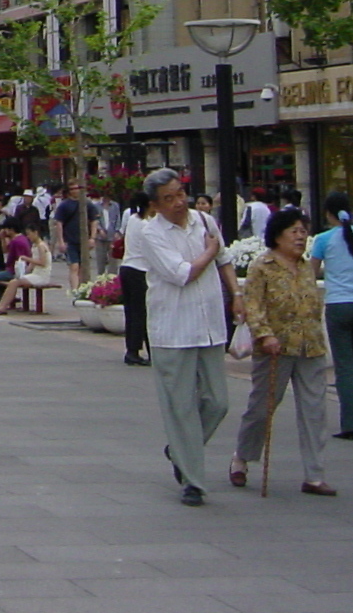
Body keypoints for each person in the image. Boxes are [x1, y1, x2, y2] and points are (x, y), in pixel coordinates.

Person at [130, 167, 239, 506]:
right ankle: (194, 481)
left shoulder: (204, 222)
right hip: (173, 329)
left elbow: (225, 259)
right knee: (181, 408)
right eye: (169, 198)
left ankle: (179, 449)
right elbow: (183, 274)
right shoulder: (151, 233)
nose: (179, 202)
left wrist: (237, 295)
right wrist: (207, 251)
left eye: (180, 193)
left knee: (217, 401)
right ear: (155, 205)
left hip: (209, 326)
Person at [227, 206, 336, 496]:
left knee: (314, 410)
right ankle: (242, 458)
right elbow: (253, 305)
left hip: (310, 346)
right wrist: (264, 335)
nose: (301, 237)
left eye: (304, 231)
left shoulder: (304, 266)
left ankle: (314, 475)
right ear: (278, 235)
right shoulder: (262, 267)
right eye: (294, 231)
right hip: (275, 348)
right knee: (263, 408)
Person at [309, 192, 353, 442]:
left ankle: (351, 422)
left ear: (328, 213)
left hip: (338, 305)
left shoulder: (323, 239)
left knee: (344, 365)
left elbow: (311, 274)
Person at [0, 227, 61, 314]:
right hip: (35, 274)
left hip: (41, 276)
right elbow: (32, 264)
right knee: (14, 281)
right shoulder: (35, 246)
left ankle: (2, 307)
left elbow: (43, 262)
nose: (28, 237)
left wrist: (27, 258)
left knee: (14, 282)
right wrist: (24, 272)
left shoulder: (41, 246)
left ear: (36, 232)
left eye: (29, 234)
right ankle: (1, 306)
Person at [119, 192, 153, 366]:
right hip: (140, 270)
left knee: (131, 312)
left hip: (126, 268)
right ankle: (144, 350)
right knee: (143, 313)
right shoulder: (146, 226)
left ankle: (132, 350)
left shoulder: (132, 219)